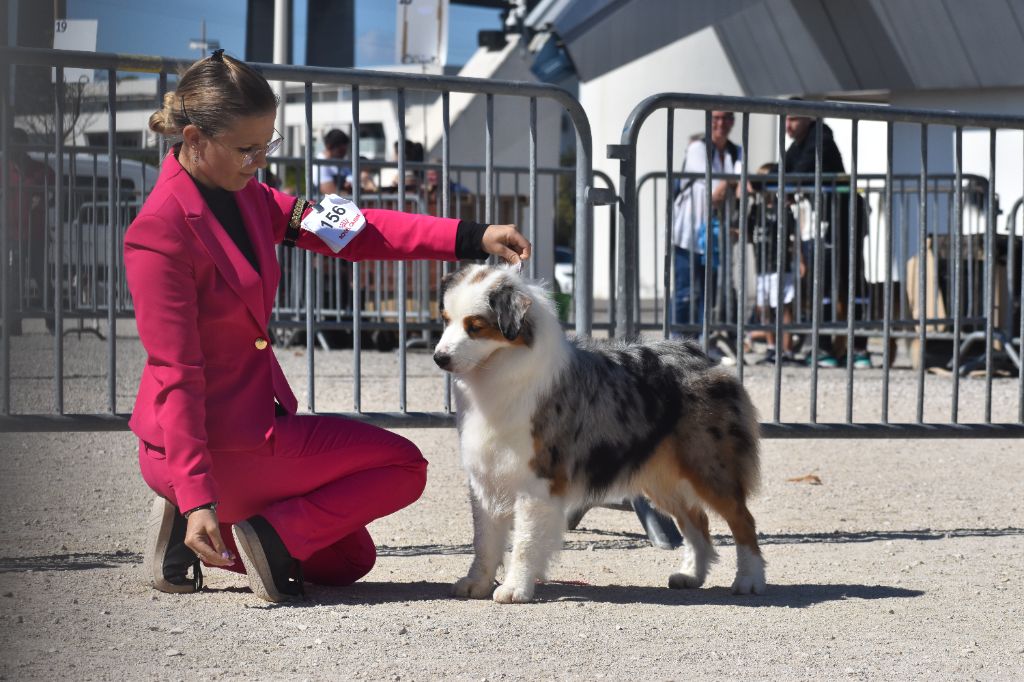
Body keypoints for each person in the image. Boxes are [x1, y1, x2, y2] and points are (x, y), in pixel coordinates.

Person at [126, 49, 531, 603]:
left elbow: (355, 232)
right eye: (247, 149)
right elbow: (176, 370)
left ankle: (190, 531)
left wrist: (469, 235)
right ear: (194, 140)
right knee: (404, 466)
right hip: (215, 451)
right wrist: (199, 495)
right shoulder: (159, 232)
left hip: (214, 448)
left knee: (348, 560)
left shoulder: (253, 196)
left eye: (267, 145)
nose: (260, 161)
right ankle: (200, 514)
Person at [784, 109, 870, 369]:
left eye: (793, 118)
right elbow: (786, 169)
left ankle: (856, 348)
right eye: (785, 120)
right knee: (823, 283)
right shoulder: (798, 145)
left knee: (848, 281)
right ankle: (826, 346)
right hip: (826, 222)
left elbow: (800, 170)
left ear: (808, 119)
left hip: (845, 219)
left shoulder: (820, 138)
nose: (788, 124)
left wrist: (784, 184)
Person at [670, 112, 742, 340]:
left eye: (726, 118)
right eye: (716, 118)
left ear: (733, 121)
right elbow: (714, 190)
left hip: (715, 231)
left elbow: (741, 186)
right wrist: (734, 181)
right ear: (709, 121)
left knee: (709, 292)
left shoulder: (735, 150)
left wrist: (731, 183)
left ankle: (701, 344)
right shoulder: (697, 149)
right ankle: (677, 344)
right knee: (686, 291)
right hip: (688, 231)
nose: (721, 123)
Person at [747, 163, 802, 365]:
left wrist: (800, 260)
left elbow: (794, 238)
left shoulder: (784, 210)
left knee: (783, 306)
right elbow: (748, 234)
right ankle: (771, 347)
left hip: (781, 265)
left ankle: (786, 349)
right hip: (762, 266)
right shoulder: (755, 209)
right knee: (765, 308)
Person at [314, 128, 351, 195]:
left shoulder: (341, 163)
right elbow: (331, 194)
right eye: (341, 151)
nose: (344, 154)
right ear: (329, 146)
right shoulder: (320, 164)